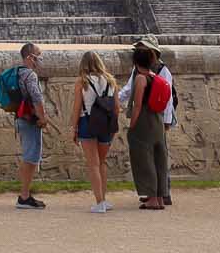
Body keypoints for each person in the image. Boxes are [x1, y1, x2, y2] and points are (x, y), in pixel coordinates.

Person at [118, 38, 178, 205]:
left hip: (149, 118)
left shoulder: (150, 74)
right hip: (157, 118)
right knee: (158, 156)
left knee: (147, 157)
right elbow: (127, 90)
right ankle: (158, 194)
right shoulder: (149, 73)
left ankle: (155, 195)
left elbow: (141, 103)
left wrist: (132, 125)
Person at [74, 50, 119, 213]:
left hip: (87, 121)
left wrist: (74, 127)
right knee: (101, 162)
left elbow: (77, 107)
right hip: (106, 123)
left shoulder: (82, 81)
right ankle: (104, 199)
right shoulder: (110, 80)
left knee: (92, 163)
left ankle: (99, 201)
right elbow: (116, 108)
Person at [11, 42, 54, 210]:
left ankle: (25, 194)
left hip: (21, 117)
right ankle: (24, 197)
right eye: (38, 55)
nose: (40, 59)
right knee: (31, 158)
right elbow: (37, 98)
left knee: (28, 156)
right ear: (30, 57)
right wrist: (43, 118)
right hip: (31, 120)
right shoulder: (30, 75)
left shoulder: (17, 73)